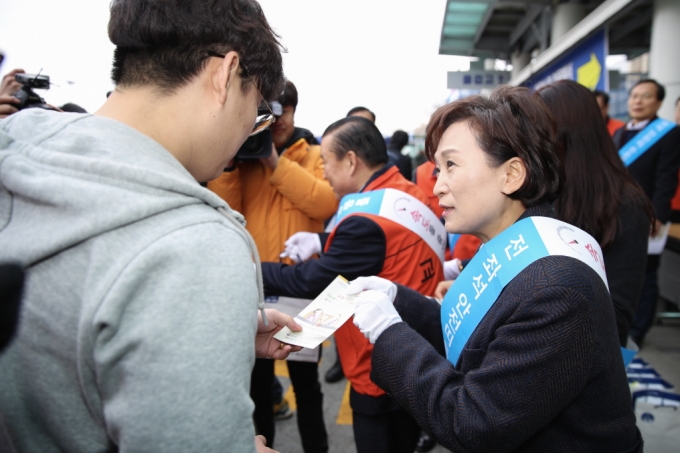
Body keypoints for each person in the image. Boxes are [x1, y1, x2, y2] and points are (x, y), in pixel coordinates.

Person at [0, 1, 302, 452]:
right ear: (225, 75)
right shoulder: (195, 245)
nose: (249, 133)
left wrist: (214, 326)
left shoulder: (14, 147)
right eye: (257, 111)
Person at [349, 86, 642, 452]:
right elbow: (465, 335)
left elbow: (472, 422)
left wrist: (387, 331)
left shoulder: (556, 289)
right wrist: (396, 298)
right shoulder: (515, 245)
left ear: (512, 175)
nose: (437, 186)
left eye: (451, 165)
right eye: (437, 168)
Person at [263, 116, 446, 453]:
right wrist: (323, 239)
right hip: (414, 355)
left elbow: (310, 280)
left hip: (378, 369)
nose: (323, 174)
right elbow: (383, 242)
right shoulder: (404, 192)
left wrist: (252, 269)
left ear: (350, 162)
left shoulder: (363, 221)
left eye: (325, 164)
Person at [208, 80, 334, 453]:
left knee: (307, 386)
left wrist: (274, 163)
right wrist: (231, 165)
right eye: (267, 113)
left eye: (286, 111)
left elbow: (325, 203)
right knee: (257, 388)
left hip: (302, 291)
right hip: (256, 289)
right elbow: (226, 213)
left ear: (295, 111)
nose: (277, 122)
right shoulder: (241, 158)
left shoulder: (313, 154)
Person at [537, 80, 655, 346]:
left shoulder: (626, 205)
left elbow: (618, 313)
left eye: (536, 129)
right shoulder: (542, 190)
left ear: (564, 133)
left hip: (587, 357)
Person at [613, 79, 680, 347]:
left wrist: (659, 216)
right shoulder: (619, 133)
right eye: (634, 96)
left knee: (647, 273)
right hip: (617, 214)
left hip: (647, 215)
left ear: (659, 102)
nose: (637, 101)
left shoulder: (667, 133)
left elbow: (667, 179)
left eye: (646, 96)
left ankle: (639, 330)